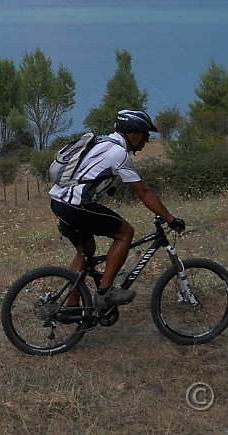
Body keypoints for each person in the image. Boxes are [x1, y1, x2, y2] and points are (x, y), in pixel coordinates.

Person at [49, 109, 186, 308]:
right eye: (145, 135)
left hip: (59, 203)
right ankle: (105, 293)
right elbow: (144, 193)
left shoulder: (102, 143)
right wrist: (171, 219)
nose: (146, 141)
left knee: (86, 252)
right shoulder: (118, 153)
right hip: (75, 205)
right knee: (125, 232)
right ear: (134, 134)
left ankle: (71, 307)